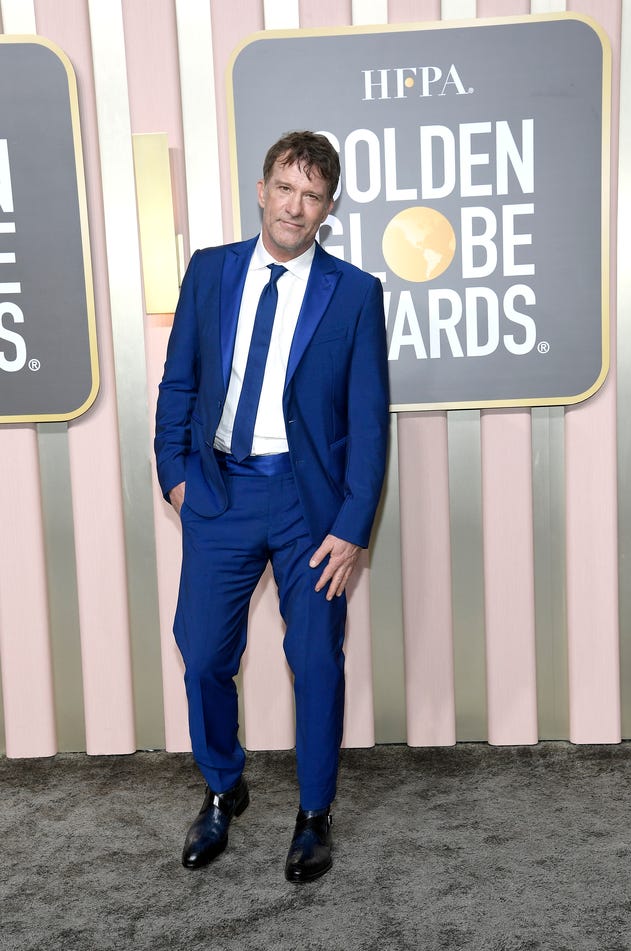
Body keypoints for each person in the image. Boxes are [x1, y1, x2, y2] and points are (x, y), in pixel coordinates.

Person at [154, 131, 389, 883]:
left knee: (316, 658)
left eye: (312, 195)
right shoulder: (210, 270)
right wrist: (176, 475)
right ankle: (224, 787)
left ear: (328, 208)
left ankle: (315, 813)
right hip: (219, 490)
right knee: (202, 654)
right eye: (285, 188)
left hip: (308, 506)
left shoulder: (354, 293)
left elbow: (370, 421)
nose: (295, 206)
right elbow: (178, 381)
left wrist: (352, 526)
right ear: (262, 190)